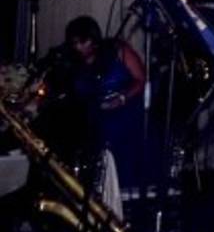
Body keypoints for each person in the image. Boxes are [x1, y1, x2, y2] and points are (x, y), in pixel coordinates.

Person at [51, 16, 147, 190]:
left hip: (127, 108)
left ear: (94, 39)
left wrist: (121, 99)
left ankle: (124, 188)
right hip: (96, 114)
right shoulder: (74, 63)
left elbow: (140, 80)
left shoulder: (118, 50)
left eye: (83, 42)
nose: (78, 47)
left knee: (114, 128)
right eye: (74, 43)